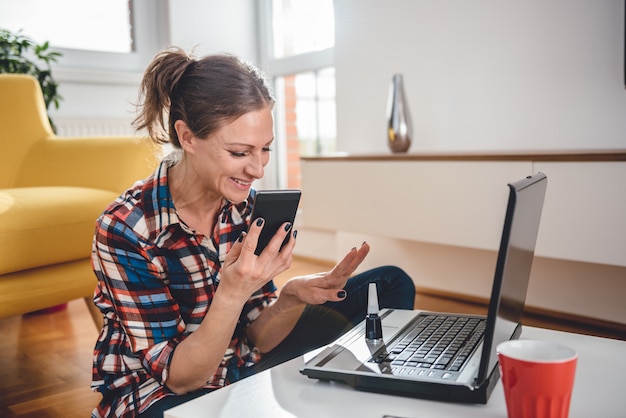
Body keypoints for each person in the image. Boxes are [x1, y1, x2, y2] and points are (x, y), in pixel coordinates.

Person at [90, 47, 415, 418]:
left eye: (265, 150)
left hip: (241, 370)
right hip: (164, 394)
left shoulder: (247, 207)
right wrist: (232, 292)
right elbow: (180, 378)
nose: (258, 169)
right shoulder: (126, 229)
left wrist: (291, 298)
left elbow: (256, 337)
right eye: (240, 152)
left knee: (390, 284)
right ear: (188, 137)